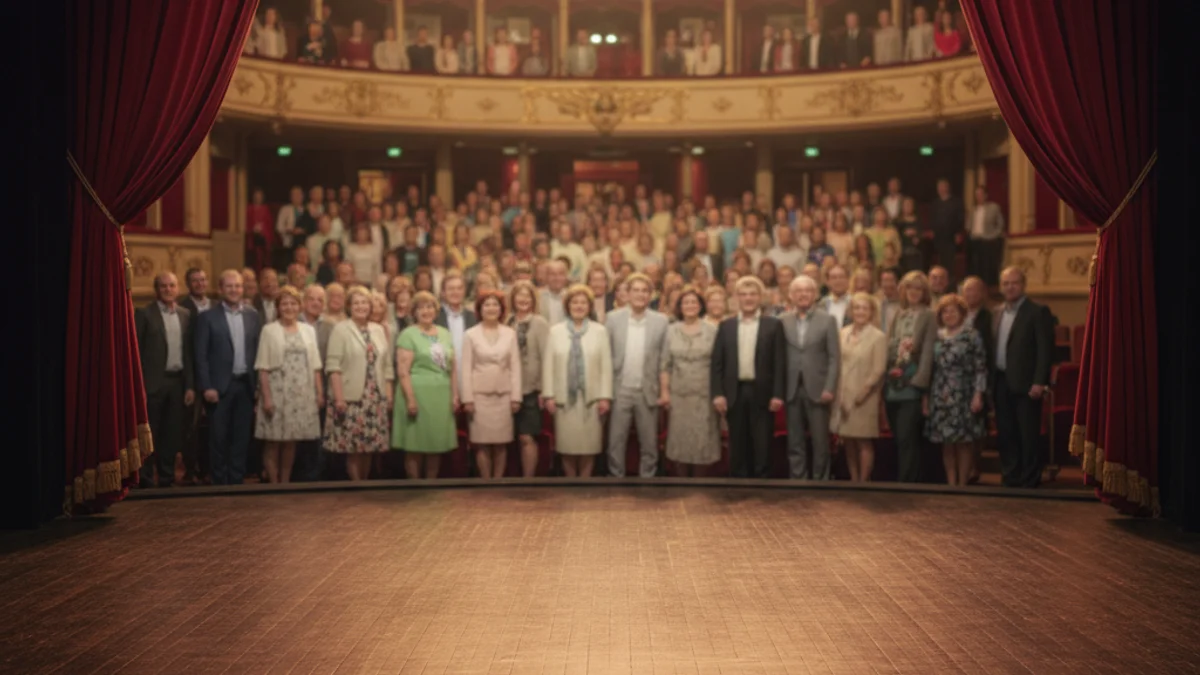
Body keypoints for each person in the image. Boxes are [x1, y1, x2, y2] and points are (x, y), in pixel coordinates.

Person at [711, 276, 785, 478]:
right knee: (738, 444)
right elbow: (717, 364)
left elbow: (779, 363)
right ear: (736, 298)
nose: (748, 298)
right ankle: (738, 489)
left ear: (760, 297)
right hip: (734, 392)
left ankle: (762, 490)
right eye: (743, 294)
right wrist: (718, 394)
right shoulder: (726, 326)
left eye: (753, 294)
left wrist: (778, 394)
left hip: (763, 393)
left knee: (762, 445)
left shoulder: (773, 325)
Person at [195, 270, 261, 486]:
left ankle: (236, 482)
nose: (234, 290)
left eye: (238, 286)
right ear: (221, 289)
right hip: (219, 388)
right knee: (218, 439)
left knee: (241, 438)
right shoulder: (207, 318)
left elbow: (259, 352)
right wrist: (206, 387)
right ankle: (219, 483)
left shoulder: (253, 315)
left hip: (246, 386)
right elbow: (201, 356)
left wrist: (259, 387)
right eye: (230, 286)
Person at [254, 285, 323, 484]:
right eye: (284, 304)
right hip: (276, 391)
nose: (289, 307)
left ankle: (285, 482)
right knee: (273, 440)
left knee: (291, 441)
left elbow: (316, 364)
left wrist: (319, 393)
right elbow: (263, 367)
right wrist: (266, 397)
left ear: (299, 307)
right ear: (278, 307)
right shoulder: (269, 330)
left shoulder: (308, 330)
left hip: (301, 392)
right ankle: (273, 483)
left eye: (293, 303)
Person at [323, 286, 393, 480]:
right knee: (354, 447)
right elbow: (333, 366)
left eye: (364, 302)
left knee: (370, 446)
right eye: (356, 303)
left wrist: (388, 395)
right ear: (349, 306)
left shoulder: (378, 329)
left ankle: (365, 484)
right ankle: (356, 486)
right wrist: (339, 398)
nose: (361, 306)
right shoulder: (341, 329)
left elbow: (387, 366)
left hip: (374, 395)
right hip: (351, 396)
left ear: (370, 306)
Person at [542, 284, 613, 476]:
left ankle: (585, 483)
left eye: (583, 302)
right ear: (568, 306)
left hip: (592, 398)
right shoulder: (555, 331)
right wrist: (548, 394)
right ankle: (570, 482)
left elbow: (606, 367)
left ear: (590, 306)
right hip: (564, 399)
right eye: (575, 302)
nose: (579, 306)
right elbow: (548, 365)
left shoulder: (600, 331)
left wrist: (605, 397)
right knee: (567, 446)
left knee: (589, 446)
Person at [992, 267, 1053, 488]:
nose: (1010, 287)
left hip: (1027, 383)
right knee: (1006, 432)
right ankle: (1011, 475)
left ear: (1023, 284)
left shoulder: (1037, 312)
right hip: (1000, 380)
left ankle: (1029, 479)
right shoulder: (997, 312)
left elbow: (1045, 351)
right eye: (1006, 283)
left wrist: (1040, 381)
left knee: (1027, 434)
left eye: (1014, 283)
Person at [605, 273, 670, 478]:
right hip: (619, 389)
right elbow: (605, 357)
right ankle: (616, 481)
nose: (640, 294)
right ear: (627, 293)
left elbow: (664, 361)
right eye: (636, 290)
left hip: (647, 390)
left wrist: (664, 391)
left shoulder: (661, 321)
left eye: (645, 291)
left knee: (649, 444)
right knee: (616, 442)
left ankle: (647, 483)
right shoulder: (613, 318)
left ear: (651, 295)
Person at [135, 272, 195, 488]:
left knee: (172, 433)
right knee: (151, 433)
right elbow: (137, 352)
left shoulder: (185, 314)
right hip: (152, 384)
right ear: (156, 289)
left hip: (177, 382)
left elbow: (189, 353)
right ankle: (146, 478)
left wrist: (190, 385)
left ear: (177, 288)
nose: (168, 289)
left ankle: (167, 477)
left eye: (172, 285)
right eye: (163, 286)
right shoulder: (144, 314)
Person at [393, 291, 459, 479]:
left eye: (429, 306)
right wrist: (411, 399)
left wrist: (455, 395)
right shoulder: (408, 334)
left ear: (436, 310)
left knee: (435, 444)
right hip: (417, 393)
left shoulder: (445, 334)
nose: (426, 311)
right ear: (414, 312)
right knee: (415, 444)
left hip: (440, 395)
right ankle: (415, 487)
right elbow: (403, 371)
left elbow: (453, 368)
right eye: (421, 307)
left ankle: (432, 485)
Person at [781, 276, 840, 480]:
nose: (803, 294)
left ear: (814, 295)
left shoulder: (827, 320)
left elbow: (834, 357)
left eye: (807, 290)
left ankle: (821, 481)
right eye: (798, 291)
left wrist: (830, 387)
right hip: (791, 389)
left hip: (818, 389)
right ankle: (798, 481)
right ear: (791, 296)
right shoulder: (782, 320)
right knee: (794, 441)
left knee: (820, 442)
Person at [925, 294, 987, 486]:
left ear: (962, 313)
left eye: (953, 310)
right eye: (945, 311)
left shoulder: (971, 335)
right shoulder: (937, 336)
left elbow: (980, 367)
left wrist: (978, 394)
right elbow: (930, 369)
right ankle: (951, 483)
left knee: (963, 442)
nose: (948, 314)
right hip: (940, 393)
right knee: (946, 443)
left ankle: (963, 484)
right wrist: (926, 397)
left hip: (964, 394)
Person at [460, 290, 522, 478]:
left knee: (501, 443)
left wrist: (516, 397)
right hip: (479, 397)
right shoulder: (470, 334)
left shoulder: (510, 333)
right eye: (487, 304)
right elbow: (466, 369)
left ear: (501, 309)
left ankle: (498, 481)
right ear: (480, 309)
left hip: (504, 395)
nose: (491, 308)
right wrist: (467, 399)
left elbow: (515, 367)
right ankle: (485, 482)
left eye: (495, 304)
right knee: (482, 443)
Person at [884, 271, 937, 483]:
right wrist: (887, 370)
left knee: (908, 438)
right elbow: (890, 344)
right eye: (909, 288)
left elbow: (927, 351)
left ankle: (908, 483)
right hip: (893, 384)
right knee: (899, 438)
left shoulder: (928, 316)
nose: (913, 292)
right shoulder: (899, 313)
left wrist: (919, 383)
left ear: (924, 292)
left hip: (912, 384)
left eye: (918, 288)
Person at [661, 287, 720, 475]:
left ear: (701, 306)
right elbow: (665, 365)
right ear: (679, 307)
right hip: (679, 395)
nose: (690, 306)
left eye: (694, 302)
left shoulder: (712, 330)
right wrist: (665, 392)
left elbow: (719, 365)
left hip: (705, 395)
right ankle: (681, 486)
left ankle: (700, 486)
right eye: (686, 302)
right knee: (680, 440)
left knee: (703, 441)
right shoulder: (670, 331)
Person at [834, 293, 888, 482]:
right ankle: (853, 480)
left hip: (866, 395)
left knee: (863, 441)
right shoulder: (842, 333)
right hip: (843, 395)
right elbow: (837, 364)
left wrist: (864, 392)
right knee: (848, 440)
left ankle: (864, 482)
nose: (860, 312)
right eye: (857, 308)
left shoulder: (878, 337)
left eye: (865, 308)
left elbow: (879, 368)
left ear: (872, 312)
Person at [507, 281, 550, 477]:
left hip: (531, 389)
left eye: (527, 296)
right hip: (508, 389)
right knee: (508, 437)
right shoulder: (507, 322)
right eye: (519, 295)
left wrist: (544, 389)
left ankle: (528, 480)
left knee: (526, 437)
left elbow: (547, 357)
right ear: (512, 299)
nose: (523, 299)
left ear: (533, 300)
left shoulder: (540, 323)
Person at [966, 185, 1005, 285]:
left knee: (987, 265)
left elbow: (1000, 224)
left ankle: (989, 285)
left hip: (988, 239)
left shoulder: (994, 207)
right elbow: (969, 224)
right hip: (975, 239)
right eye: (977, 195)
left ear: (986, 195)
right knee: (975, 265)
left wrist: (995, 235)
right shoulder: (973, 209)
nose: (979, 197)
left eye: (980, 194)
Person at [929, 179, 964, 283]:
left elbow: (960, 218)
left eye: (943, 186)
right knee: (939, 261)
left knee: (950, 262)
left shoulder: (956, 202)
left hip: (951, 237)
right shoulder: (935, 203)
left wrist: (958, 232)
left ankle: (950, 283)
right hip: (938, 237)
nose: (941, 189)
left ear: (948, 188)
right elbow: (932, 219)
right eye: (939, 187)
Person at [539, 260, 569, 324]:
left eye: (561, 274)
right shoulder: (538, 296)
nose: (557, 278)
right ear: (546, 276)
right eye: (552, 274)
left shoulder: (571, 296)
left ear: (566, 276)